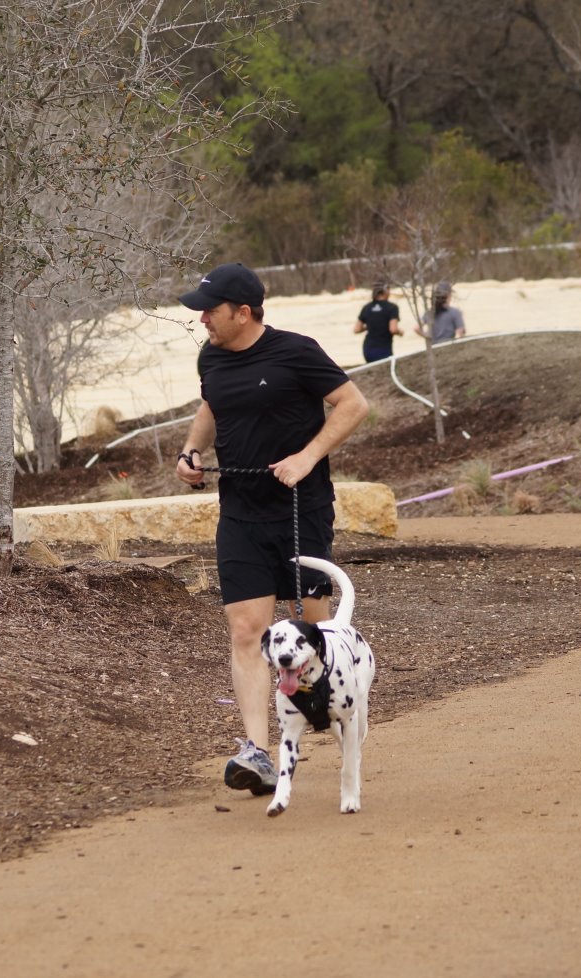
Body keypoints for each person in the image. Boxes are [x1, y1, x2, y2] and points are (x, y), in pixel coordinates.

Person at [174, 262, 369, 796]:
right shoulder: (211, 356)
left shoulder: (296, 351)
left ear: (242, 312)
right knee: (246, 630)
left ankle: (328, 715)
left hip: (301, 510)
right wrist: (192, 451)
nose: (202, 320)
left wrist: (307, 457)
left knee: (312, 627)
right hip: (239, 513)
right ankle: (258, 753)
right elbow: (211, 406)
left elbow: (354, 404)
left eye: (209, 311)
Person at [353, 282, 403, 363]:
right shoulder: (392, 307)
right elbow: (393, 329)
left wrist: (370, 325)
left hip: (368, 348)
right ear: (385, 292)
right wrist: (401, 332)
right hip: (383, 348)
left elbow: (356, 329)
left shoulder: (367, 307)